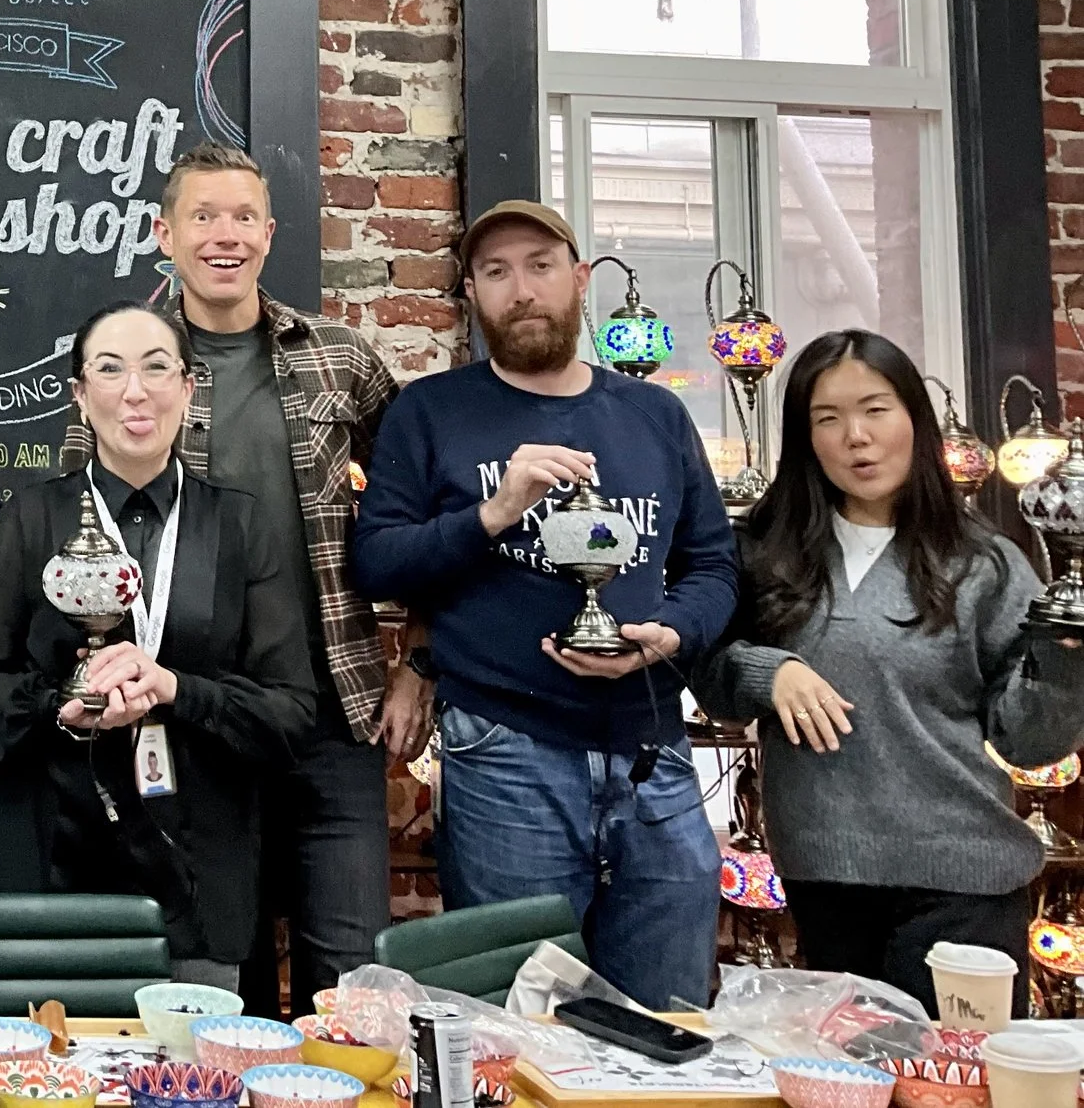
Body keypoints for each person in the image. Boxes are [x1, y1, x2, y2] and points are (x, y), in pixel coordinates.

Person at [349, 199, 737, 1010]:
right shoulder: (431, 411)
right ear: (471, 295)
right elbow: (378, 559)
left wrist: (666, 634)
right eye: (495, 272)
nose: (520, 289)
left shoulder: (655, 415)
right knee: (512, 1029)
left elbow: (714, 567)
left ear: (580, 279)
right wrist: (493, 512)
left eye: (540, 265)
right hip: (504, 747)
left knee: (668, 1022)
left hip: (654, 751)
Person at [93, 140, 424, 1014]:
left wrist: (418, 659)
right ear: (165, 234)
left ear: (271, 233)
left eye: (243, 216)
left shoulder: (338, 360)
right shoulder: (128, 368)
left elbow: (424, 512)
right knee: (210, 986)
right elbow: (78, 532)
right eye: (203, 216)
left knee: (350, 984)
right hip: (192, 719)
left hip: (332, 715)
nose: (224, 235)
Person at [690, 330, 1084, 1011]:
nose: (856, 438)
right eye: (828, 418)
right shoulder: (763, 550)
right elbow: (707, 670)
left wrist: (1066, 652)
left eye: (875, 410)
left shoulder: (982, 562)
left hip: (965, 883)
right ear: (804, 435)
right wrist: (768, 672)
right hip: (823, 878)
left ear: (914, 420)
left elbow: (1032, 742)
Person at [0, 304, 317, 991]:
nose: (135, 390)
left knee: (185, 1089)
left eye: (157, 368)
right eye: (109, 369)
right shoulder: (28, 518)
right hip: (44, 868)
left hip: (197, 876)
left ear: (188, 388)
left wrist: (175, 688)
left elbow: (291, 713)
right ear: (80, 395)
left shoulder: (240, 524)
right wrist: (60, 701)